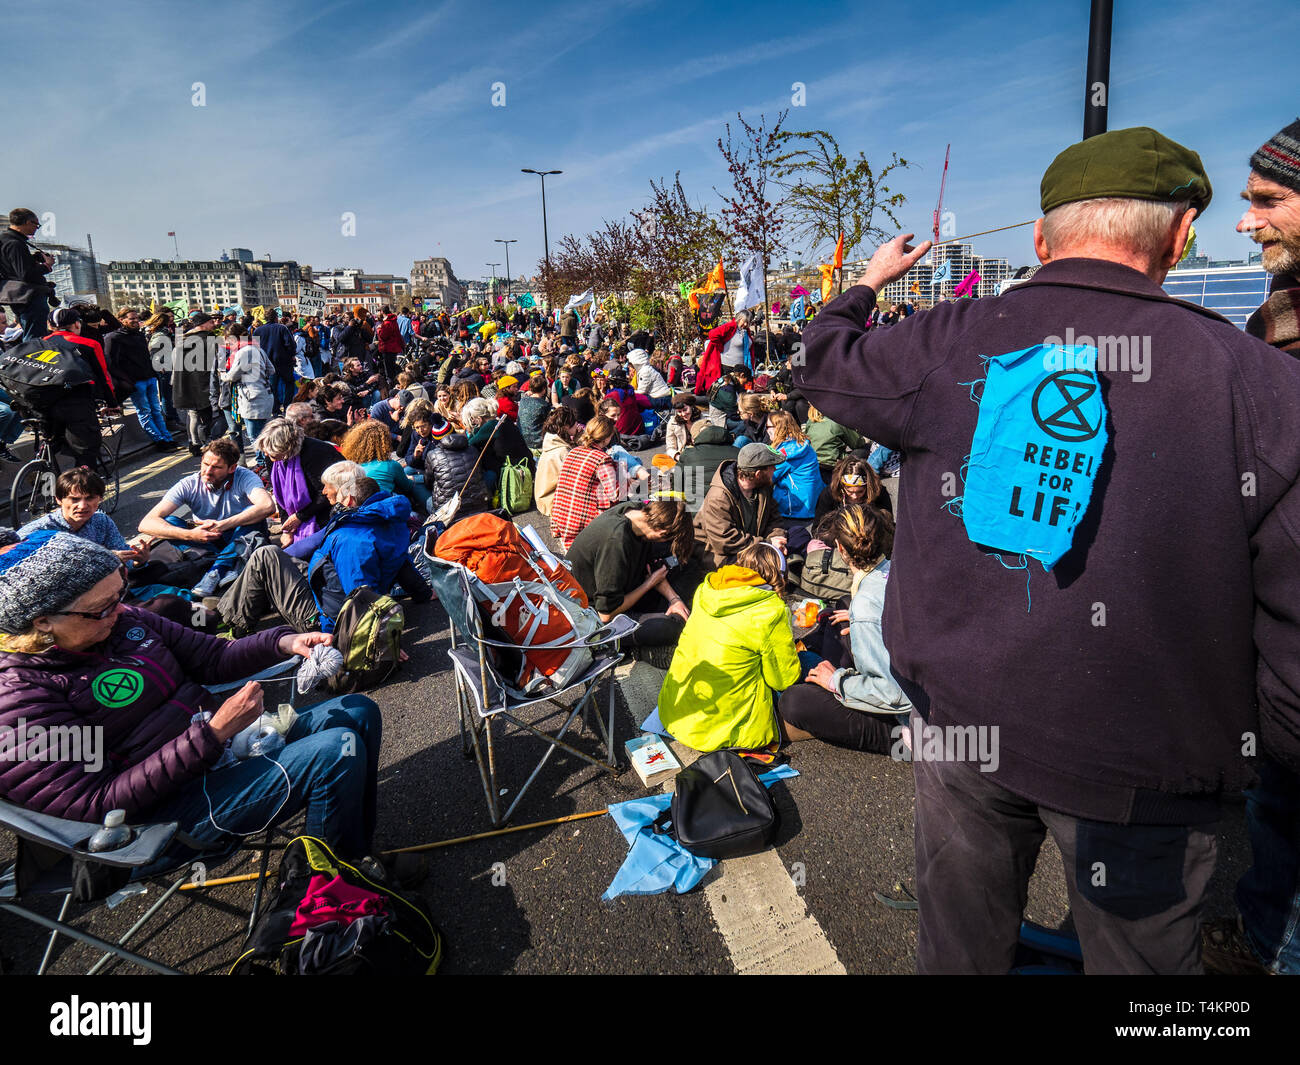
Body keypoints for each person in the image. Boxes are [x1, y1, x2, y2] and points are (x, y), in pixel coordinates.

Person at [797, 126, 1300, 975]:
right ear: (1181, 237)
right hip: (1148, 762)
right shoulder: (1260, 384)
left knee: (959, 948)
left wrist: (863, 286)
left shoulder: (947, 338)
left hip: (961, 725)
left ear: (1040, 238)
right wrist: (1249, 754)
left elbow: (829, 364)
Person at [0, 530, 382, 859]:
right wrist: (211, 735)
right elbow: (96, 804)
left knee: (359, 711)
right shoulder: (20, 694)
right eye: (101, 608)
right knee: (335, 751)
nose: (119, 610)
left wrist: (284, 641)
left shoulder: (123, 621)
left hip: (216, 756)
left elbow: (214, 658)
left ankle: (350, 861)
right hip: (152, 821)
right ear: (42, 622)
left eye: (120, 594)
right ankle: (322, 894)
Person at [1202, 118, 1300, 977]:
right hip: (1278, 659)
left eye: (1267, 200)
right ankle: (1262, 935)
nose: (1246, 220)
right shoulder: (1275, 318)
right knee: (1279, 812)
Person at [217, 466, 431, 636]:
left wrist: (339, 639)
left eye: (332, 491)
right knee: (272, 556)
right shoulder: (387, 521)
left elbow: (359, 594)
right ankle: (227, 611)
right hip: (328, 590)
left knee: (266, 556)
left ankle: (231, 623)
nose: (326, 493)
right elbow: (401, 561)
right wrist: (423, 593)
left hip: (325, 621)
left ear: (349, 500)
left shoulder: (352, 539)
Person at [779, 503, 909, 752]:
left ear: (840, 548)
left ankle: (821, 671)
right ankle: (820, 664)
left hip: (908, 724)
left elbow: (894, 695)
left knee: (794, 702)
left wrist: (835, 681)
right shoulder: (895, 571)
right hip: (916, 685)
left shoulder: (865, 607)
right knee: (838, 611)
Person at [657, 540, 801, 753]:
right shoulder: (771, 610)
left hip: (675, 714)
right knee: (806, 670)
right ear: (779, 576)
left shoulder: (708, 588)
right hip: (724, 729)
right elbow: (783, 679)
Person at [138, 437, 277, 598]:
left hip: (240, 535)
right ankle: (229, 564)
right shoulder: (189, 484)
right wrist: (191, 534)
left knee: (254, 514)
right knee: (170, 522)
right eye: (205, 464)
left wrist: (223, 525)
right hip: (207, 540)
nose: (208, 471)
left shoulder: (245, 477)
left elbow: (267, 505)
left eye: (216, 467)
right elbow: (146, 523)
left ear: (232, 468)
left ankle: (216, 569)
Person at [565, 499, 694, 647]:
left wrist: (674, 599)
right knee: (670, 628)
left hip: (624, 584)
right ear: (662, 533)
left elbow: (652, 565)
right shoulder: (616, 542)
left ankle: (663, 609)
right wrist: (650, 583)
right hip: (592, 615)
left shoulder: (639, 511)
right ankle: (633, 647)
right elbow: (606, 614)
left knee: (688, 566)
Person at [0, 305, 116, 468]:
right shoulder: (88, 344)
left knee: (51, 440)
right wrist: (112, 404)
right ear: (77, 324)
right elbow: (103, 377)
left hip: (39, 404)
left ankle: (42, 468)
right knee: (86, 450)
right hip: (75, 405)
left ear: (49, 326)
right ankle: (82, 485)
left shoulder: (38, 343)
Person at [17, 466, 149, 565]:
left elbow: (126, 560)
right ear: (58, 499)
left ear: (100, 499)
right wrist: (105, 559)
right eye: (74, 499)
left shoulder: (102, 522)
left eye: (90, 498)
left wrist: (139, 560)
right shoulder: (36, 532)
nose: (82, 506)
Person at [695, 442, 784, 567]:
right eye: (772, 467)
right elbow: (726, 541)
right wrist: (767, 544)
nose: (775, 469)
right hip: (720, 553)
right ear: (758, 474)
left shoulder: (763, 486)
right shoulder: (718, 497)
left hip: (752, 543)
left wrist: (778, 538)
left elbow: (774, 518)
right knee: (764, 566)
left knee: (798, 535)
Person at [256, 418, 339, 549]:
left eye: (270, 451)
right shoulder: (272, 457)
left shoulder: (317, 453)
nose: (265, 453)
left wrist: (300, 517)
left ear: (287, 448)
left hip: (326, 512)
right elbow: (280, 496)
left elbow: (326, 494)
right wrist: (286, 529)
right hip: (299, 515)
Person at [104, 306, 174, 450]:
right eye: (132, 319)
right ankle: (159, 440)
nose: (136, 321)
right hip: (135, 381)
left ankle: (167, 438)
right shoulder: (114, 338)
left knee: (156, 409)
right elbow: (111, 364)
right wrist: (127, 381)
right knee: (144, 411)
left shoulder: (139, 335)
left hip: (149, 377)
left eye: (137, 318)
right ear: (122, 320)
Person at [550, 415, 624, 552]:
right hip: (582, 527)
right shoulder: (601, 459)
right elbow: (616, 494)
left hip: (561, 519)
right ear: (607, 438)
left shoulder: (573, 451)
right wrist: (626, 478)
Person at [341, 418, 426, 515]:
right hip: (384, 509)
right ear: (384, 443)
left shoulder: (352, 467)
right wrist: (418, 478)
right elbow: (407, 486)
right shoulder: (390, 465)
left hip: (357, 511)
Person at [0, 208, 55, 342]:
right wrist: (47, 265)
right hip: (28, 297)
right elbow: (25, 274)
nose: (37, 228)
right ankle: (31, 361)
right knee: (35, 339)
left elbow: (15, 268)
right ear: (27, 222)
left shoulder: (6, 240)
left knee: (31, 335)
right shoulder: (15, 244)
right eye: (36, 224)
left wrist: (33, 259)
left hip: (19, 296)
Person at [220, 325, 276, 453]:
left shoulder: (243, 352)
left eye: (228, 339)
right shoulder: (258, 349)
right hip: (265, 395)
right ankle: (267, 464)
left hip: (252, 398)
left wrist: (223, 375)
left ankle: (263, 465)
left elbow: (233, 376)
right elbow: (271, 370)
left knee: (255, 437)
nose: (227, 342)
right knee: (265, 434)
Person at [173, 312, 220, 454]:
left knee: (193, 415)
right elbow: (217, 362)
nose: (214, 324)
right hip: (204, 384)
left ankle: (193, 443)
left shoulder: (183, 340)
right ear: (203, 324)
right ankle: (206, 444)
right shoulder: (209, 340)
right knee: (207, 418)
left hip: (186, 384)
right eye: (211, 322)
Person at [768, 410, 822, 522]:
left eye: (768, 426)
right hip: (812, 503)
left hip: (795, 508)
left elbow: (768, 478)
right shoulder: (802, 444)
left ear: (777, 428)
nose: (767, 430)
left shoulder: (785, 454)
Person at [533, 406, 579, 517]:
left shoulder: (551, 442)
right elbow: (574, 479)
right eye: (575, 424)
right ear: (567, 426)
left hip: (543, 498)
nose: (577, 427)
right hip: (552, 502)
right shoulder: (562, 451)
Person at [816, 455, 892, 520]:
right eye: (850, 491)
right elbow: (818, 527)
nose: (855, 496)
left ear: (868, 487)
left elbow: (888, 522)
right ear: (842, 487)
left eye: (860, 491)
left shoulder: (879, 492)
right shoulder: (829, 494)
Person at [805, 404, 866, 481]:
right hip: (832, 464)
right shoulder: (838, 420)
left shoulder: (811, 420)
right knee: (863, 450)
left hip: (814, 461)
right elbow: (858, 443)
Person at [253, 309, 296, 412]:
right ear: (276, 318)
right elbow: (291, 345)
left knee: (272, 388)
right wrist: (291, 355)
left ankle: (275, 409)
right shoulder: (282, 328)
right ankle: (287, 406)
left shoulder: (257, 331)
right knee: (289, 384)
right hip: (283, 363)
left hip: (267, 363)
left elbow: (254, 348)